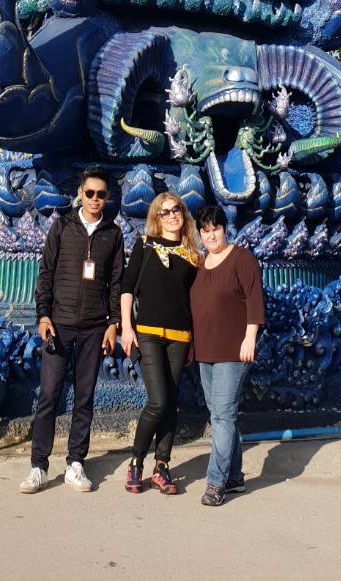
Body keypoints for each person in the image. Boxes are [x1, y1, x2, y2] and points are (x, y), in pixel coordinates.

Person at [22, 168, 124, 495]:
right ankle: (39, 465)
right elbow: (46, 274)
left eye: (101, 194)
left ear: (107, 198)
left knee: (85, 397)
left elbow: (116, 283)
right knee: (49, 394)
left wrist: (113, 325)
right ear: (80, 193)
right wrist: (43, 316)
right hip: (61, 323)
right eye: (90, 193)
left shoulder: (113, 233)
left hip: (95, 326)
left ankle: (76, 463)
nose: (95, 199)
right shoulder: (62, 226)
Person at [120, 192, 200, 495]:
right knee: (158, 401)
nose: (171, 216)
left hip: (180, 336)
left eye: (175, 210)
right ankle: (136, 461)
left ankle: (162, 465)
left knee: (172, 404)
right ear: (156, 217)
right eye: (164, 212)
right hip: (149, 332)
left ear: (183, 213)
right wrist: (127, 328)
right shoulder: (145, 245)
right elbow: (127, 288)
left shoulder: (193, 254)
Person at [190, 205, 265, 507]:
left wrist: (250, 338)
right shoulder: (199, 263)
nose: (211, 235)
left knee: (222, 416)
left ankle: (215, 483)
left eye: (216, 228)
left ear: (225, 229)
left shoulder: (241, 258)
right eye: (205, 230)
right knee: (221, 415)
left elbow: (254, 298)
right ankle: (234, 476)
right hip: (205, 350)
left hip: (233, 350)